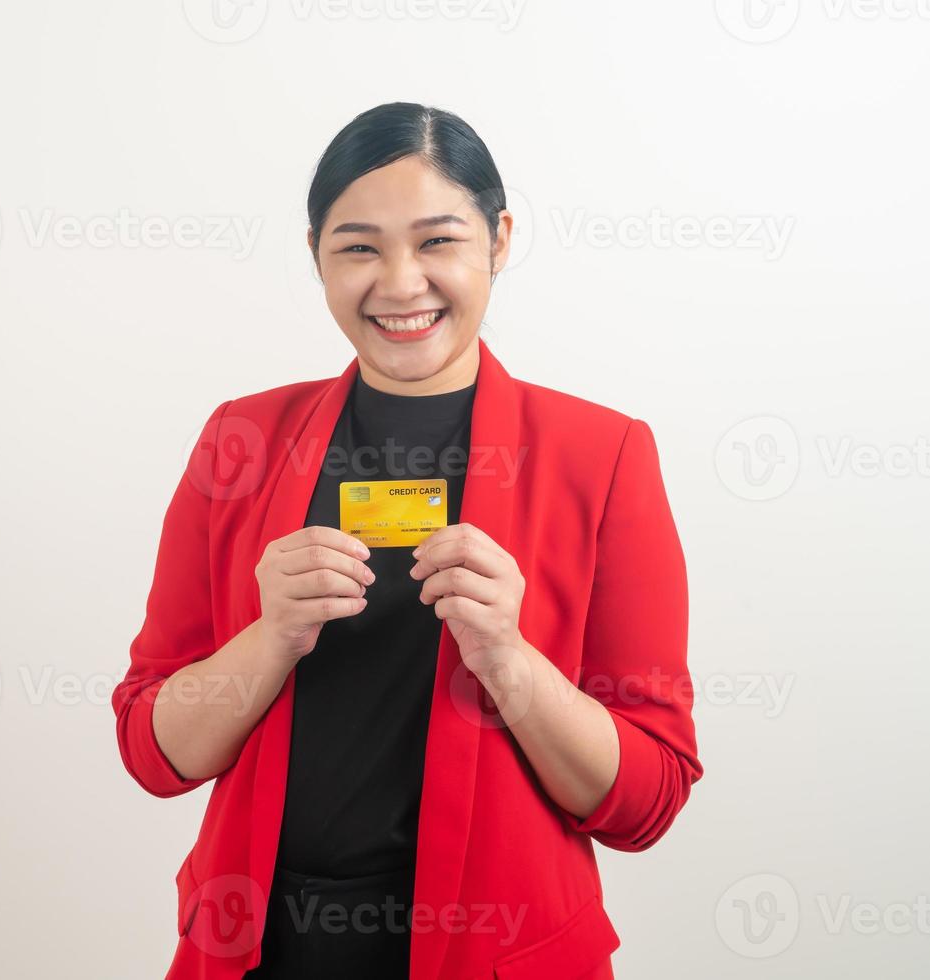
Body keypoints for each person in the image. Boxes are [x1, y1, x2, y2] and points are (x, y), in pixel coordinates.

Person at [112, 102, 703, 980]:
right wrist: (268, 637)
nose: (398, 283)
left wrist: (507, 657)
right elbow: (154, 753)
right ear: (314, 254)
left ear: (498, 240)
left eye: (437, 241)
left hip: (496, 956)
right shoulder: (240, 439)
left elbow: (644, 802)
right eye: (358, 246)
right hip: (260, 950)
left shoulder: (602, 455)